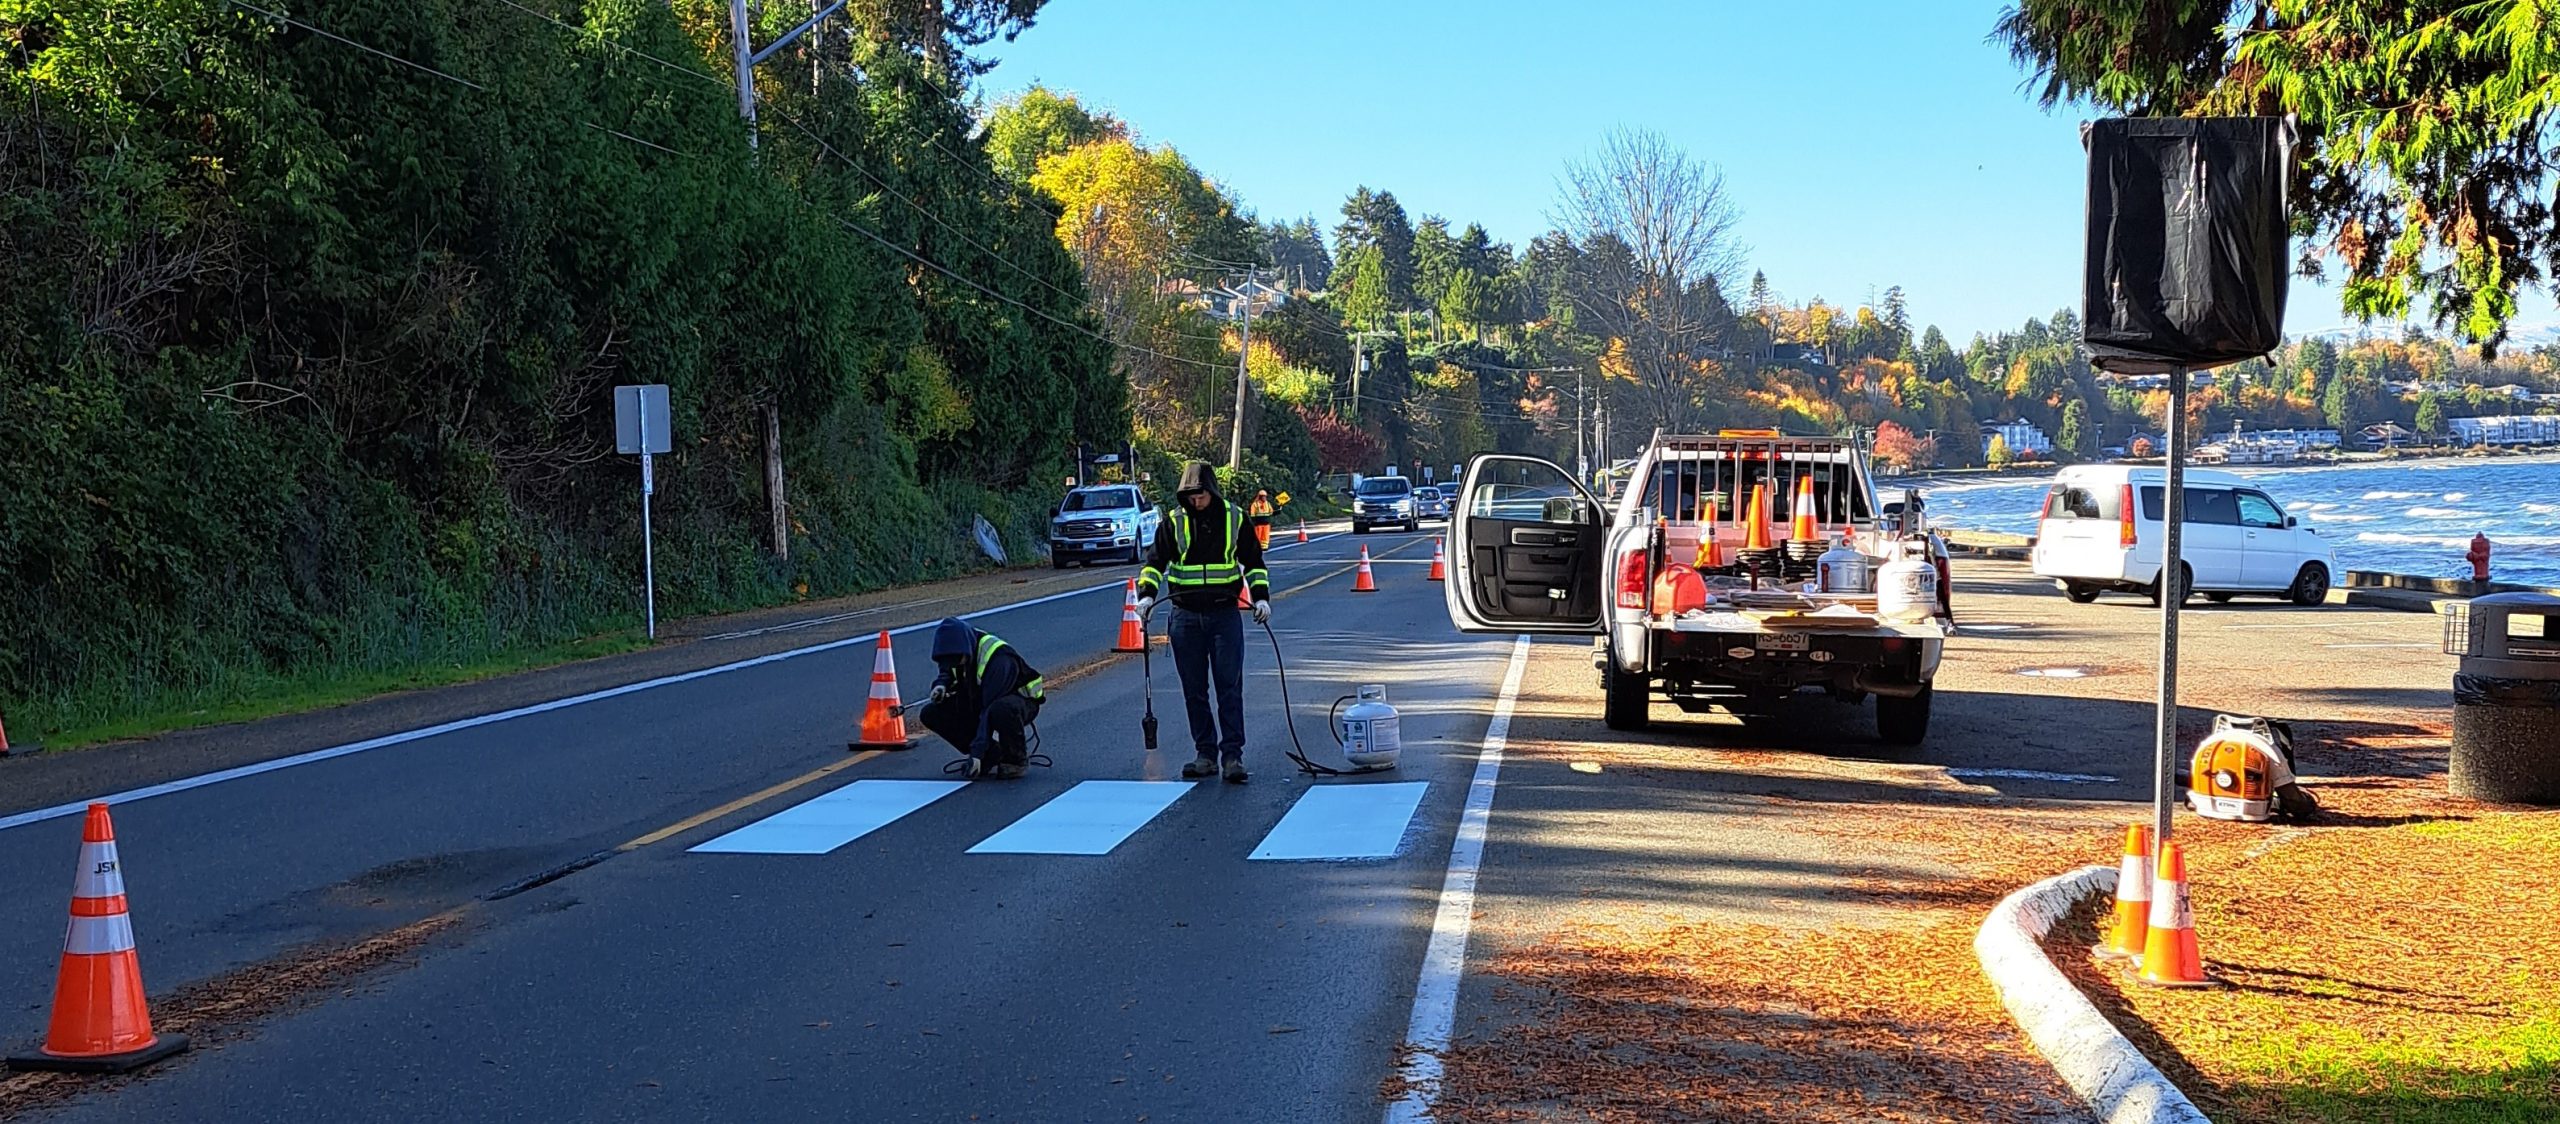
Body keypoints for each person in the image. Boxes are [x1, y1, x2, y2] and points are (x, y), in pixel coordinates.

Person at [1136, 461, 1271, 783]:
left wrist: (1261, 596)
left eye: (1201, 496)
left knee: (1229, 686)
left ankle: (1233, 756)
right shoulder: (1174, 521)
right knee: (1194, 690)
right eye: (1191, 496)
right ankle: (1205, 754)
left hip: (1224, 614)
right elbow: (1155, 563)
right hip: (1184, 616)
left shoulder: (1235, 517)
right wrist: (1146, 595)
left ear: (1211, 491)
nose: (1196, 502)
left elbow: (1253, 561)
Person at [918, 617, 1045, 779]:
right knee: (931, 712)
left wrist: (976, 754)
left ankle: (1015, 760)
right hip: (979, 697)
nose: (954, 664)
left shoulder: (999, 659)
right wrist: (941, 685)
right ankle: (992, 754)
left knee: (1001, 709)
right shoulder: (959, 649)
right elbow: (947, 672)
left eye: (956, 661)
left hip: (1017, 701)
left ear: (964, 651)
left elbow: (988, 708)